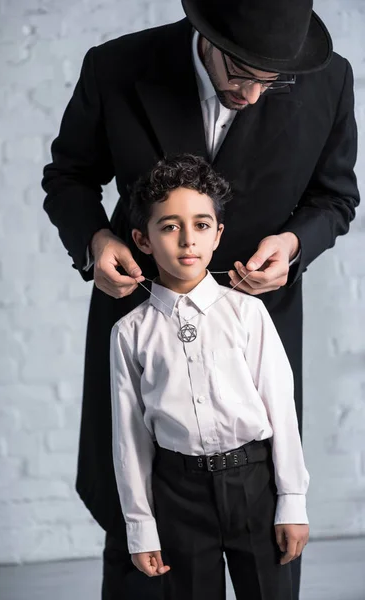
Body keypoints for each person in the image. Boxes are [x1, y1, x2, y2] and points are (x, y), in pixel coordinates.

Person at [41, 1, 359, 598]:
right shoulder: (116, 67)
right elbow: (69, 176)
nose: (254, 94)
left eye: (273, 81)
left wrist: (292, 246)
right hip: (140, 308)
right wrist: (95, 239)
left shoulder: (329, 79)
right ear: (207, 37)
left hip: (254, 312)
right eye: (240, 74)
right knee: (133, 517)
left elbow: (336, 197)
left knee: (268, 534)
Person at [110, 154, 310, 600]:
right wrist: (141, 528)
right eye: (169, 227)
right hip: (179, 497)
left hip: (253, 488)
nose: (187, 240)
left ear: (218, 234)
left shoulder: (247, 312)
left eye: (201, 225)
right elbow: (129, 437)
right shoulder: (129, 333)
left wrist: (292, 501)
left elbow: (281, 407)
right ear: (143, 239)